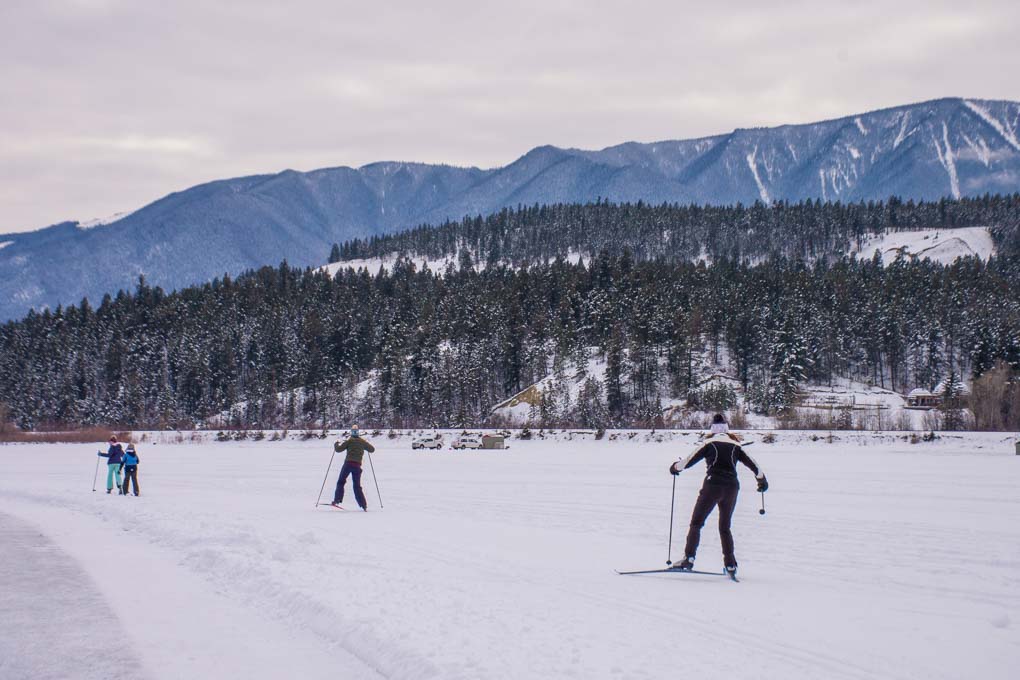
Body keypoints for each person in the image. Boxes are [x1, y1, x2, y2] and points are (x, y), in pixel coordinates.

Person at [668, 414, 768, 577]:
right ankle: (730, 565)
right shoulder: (736, 445)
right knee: (725, 527)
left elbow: (687, 462)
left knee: (696, 523)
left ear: (712, 430)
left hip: (713, 485)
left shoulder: (709, 443)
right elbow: (755, 466)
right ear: (727, 430)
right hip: (732, 488)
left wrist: (674, 468)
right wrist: (761, 481)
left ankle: (688, 559)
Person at [332, 425, 375, 511]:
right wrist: (366, 444)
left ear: (351, 432)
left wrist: (336, 443)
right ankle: (363, 505)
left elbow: (338, 449)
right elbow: (372, 450)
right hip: (357, 466)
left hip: (348, 464)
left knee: (341, 482)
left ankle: (337, 500)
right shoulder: (362, 441)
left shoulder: (349, 441)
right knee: (357, 486)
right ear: (358, 432)